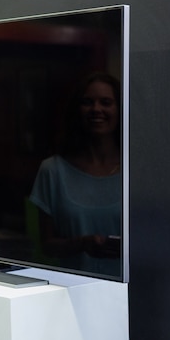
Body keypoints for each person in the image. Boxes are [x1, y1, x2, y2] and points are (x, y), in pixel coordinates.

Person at [29, 72, 121, 276]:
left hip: (131, 294)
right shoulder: (52, 171)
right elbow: (46, 245)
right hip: (72, 292)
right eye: (88, 102)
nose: (96, 109)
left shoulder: (137, 172)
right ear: (77, 110)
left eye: (106, 102)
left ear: (120, 109)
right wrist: (81, 244)